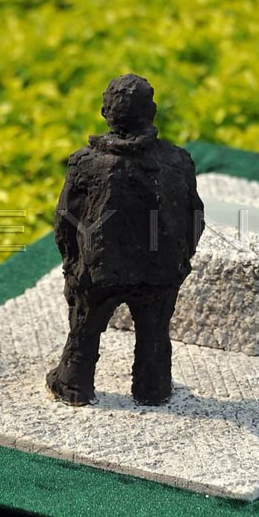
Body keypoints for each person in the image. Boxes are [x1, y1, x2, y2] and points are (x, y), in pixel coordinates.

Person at [47, 74, 204, 406]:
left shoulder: (85, 163)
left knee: (84, 329)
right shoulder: (178, 160)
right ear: (152, 111)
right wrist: (180, 259)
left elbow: (65, 219)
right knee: (154, 335)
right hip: (160, 271)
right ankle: (153, 388)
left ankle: (74, 385)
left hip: (99, 269)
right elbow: (194, 216)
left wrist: (73, 264)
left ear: (105, 111)